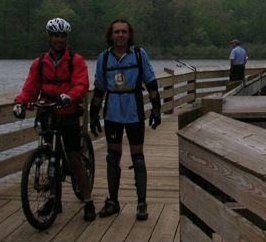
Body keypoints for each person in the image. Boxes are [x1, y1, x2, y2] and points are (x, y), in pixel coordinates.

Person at [13, 18, 96, 221]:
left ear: (66, 38)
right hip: (48, 113)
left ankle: (88, 200)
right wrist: (21, 102)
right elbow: (30, 88)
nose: (59, 39)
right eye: (55, 35)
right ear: (48, 37)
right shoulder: (40, 63)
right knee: (48, 156)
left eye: (62, 36)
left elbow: (82, 84)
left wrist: (70, 96)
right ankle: (53, 197)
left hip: (67, 113)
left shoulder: (75, 60)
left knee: (74, 159)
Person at [89, 18, 162, 220]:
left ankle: (141, 203)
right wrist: (93, 115)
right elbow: (99, 88)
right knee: (113, 157)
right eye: (116, 32)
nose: (120, 35)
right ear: (110, 35)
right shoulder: (104, 58)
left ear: (129, 34)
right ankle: (112, 201)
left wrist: (157, 109)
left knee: (137, 158)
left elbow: (151, 82)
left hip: (134, 111)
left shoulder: (139, 54)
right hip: (112, 112)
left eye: (124, 31)